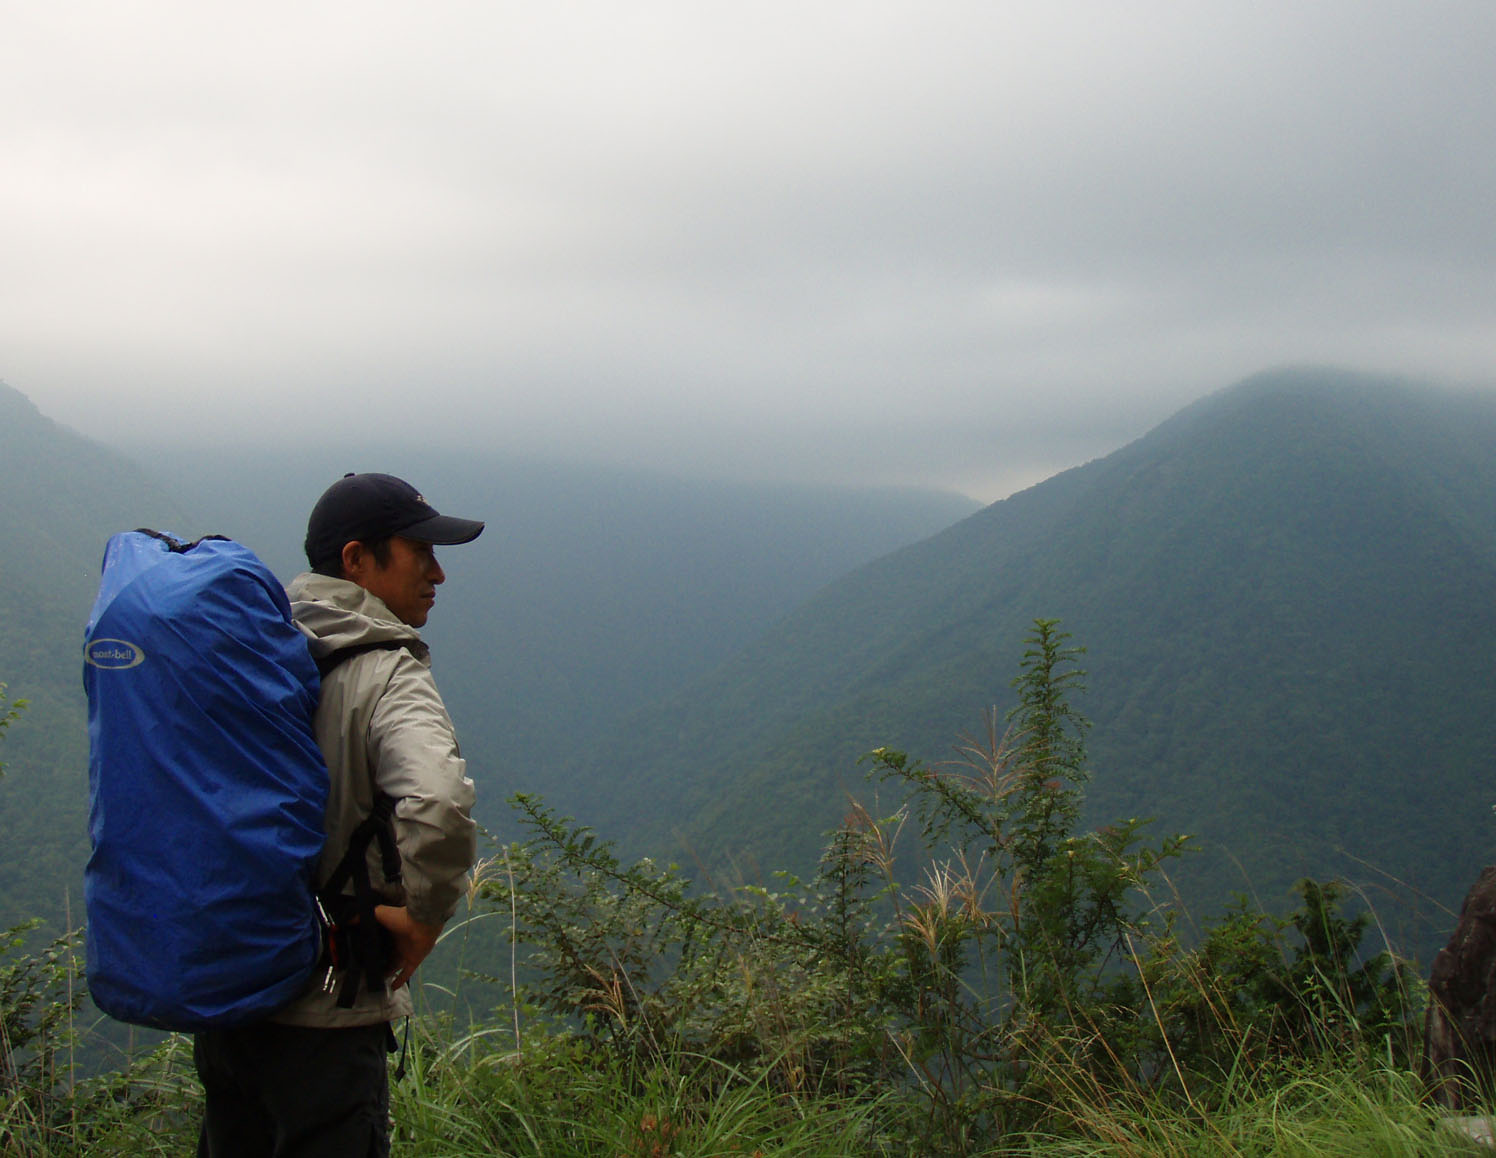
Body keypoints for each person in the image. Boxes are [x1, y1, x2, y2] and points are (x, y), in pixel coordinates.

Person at [194, 472, 484, 1158]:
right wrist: (425, 915)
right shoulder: (387, 670)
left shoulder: (255, 650)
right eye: (419, 552)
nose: (438, 572)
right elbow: (438, 803)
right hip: (328, 1008)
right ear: (357, 560)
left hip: (227, 995)